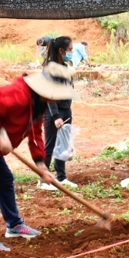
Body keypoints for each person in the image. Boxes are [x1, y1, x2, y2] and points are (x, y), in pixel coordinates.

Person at [0, 62, 77, 251]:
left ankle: (14, 225)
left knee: (5, 179)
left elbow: (35, 135)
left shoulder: (39, 104)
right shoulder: (19, 95)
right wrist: (0, 134)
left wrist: (41, 166)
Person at [39, 36, 77, 189]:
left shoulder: (65, 67)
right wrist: (55, 116)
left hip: (65, 109)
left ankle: (61, 177)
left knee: (62, 144)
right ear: (61, 51)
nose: (72, 52)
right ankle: (43, 180)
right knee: (50, 145)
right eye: (70, 50)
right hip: (52, 111)